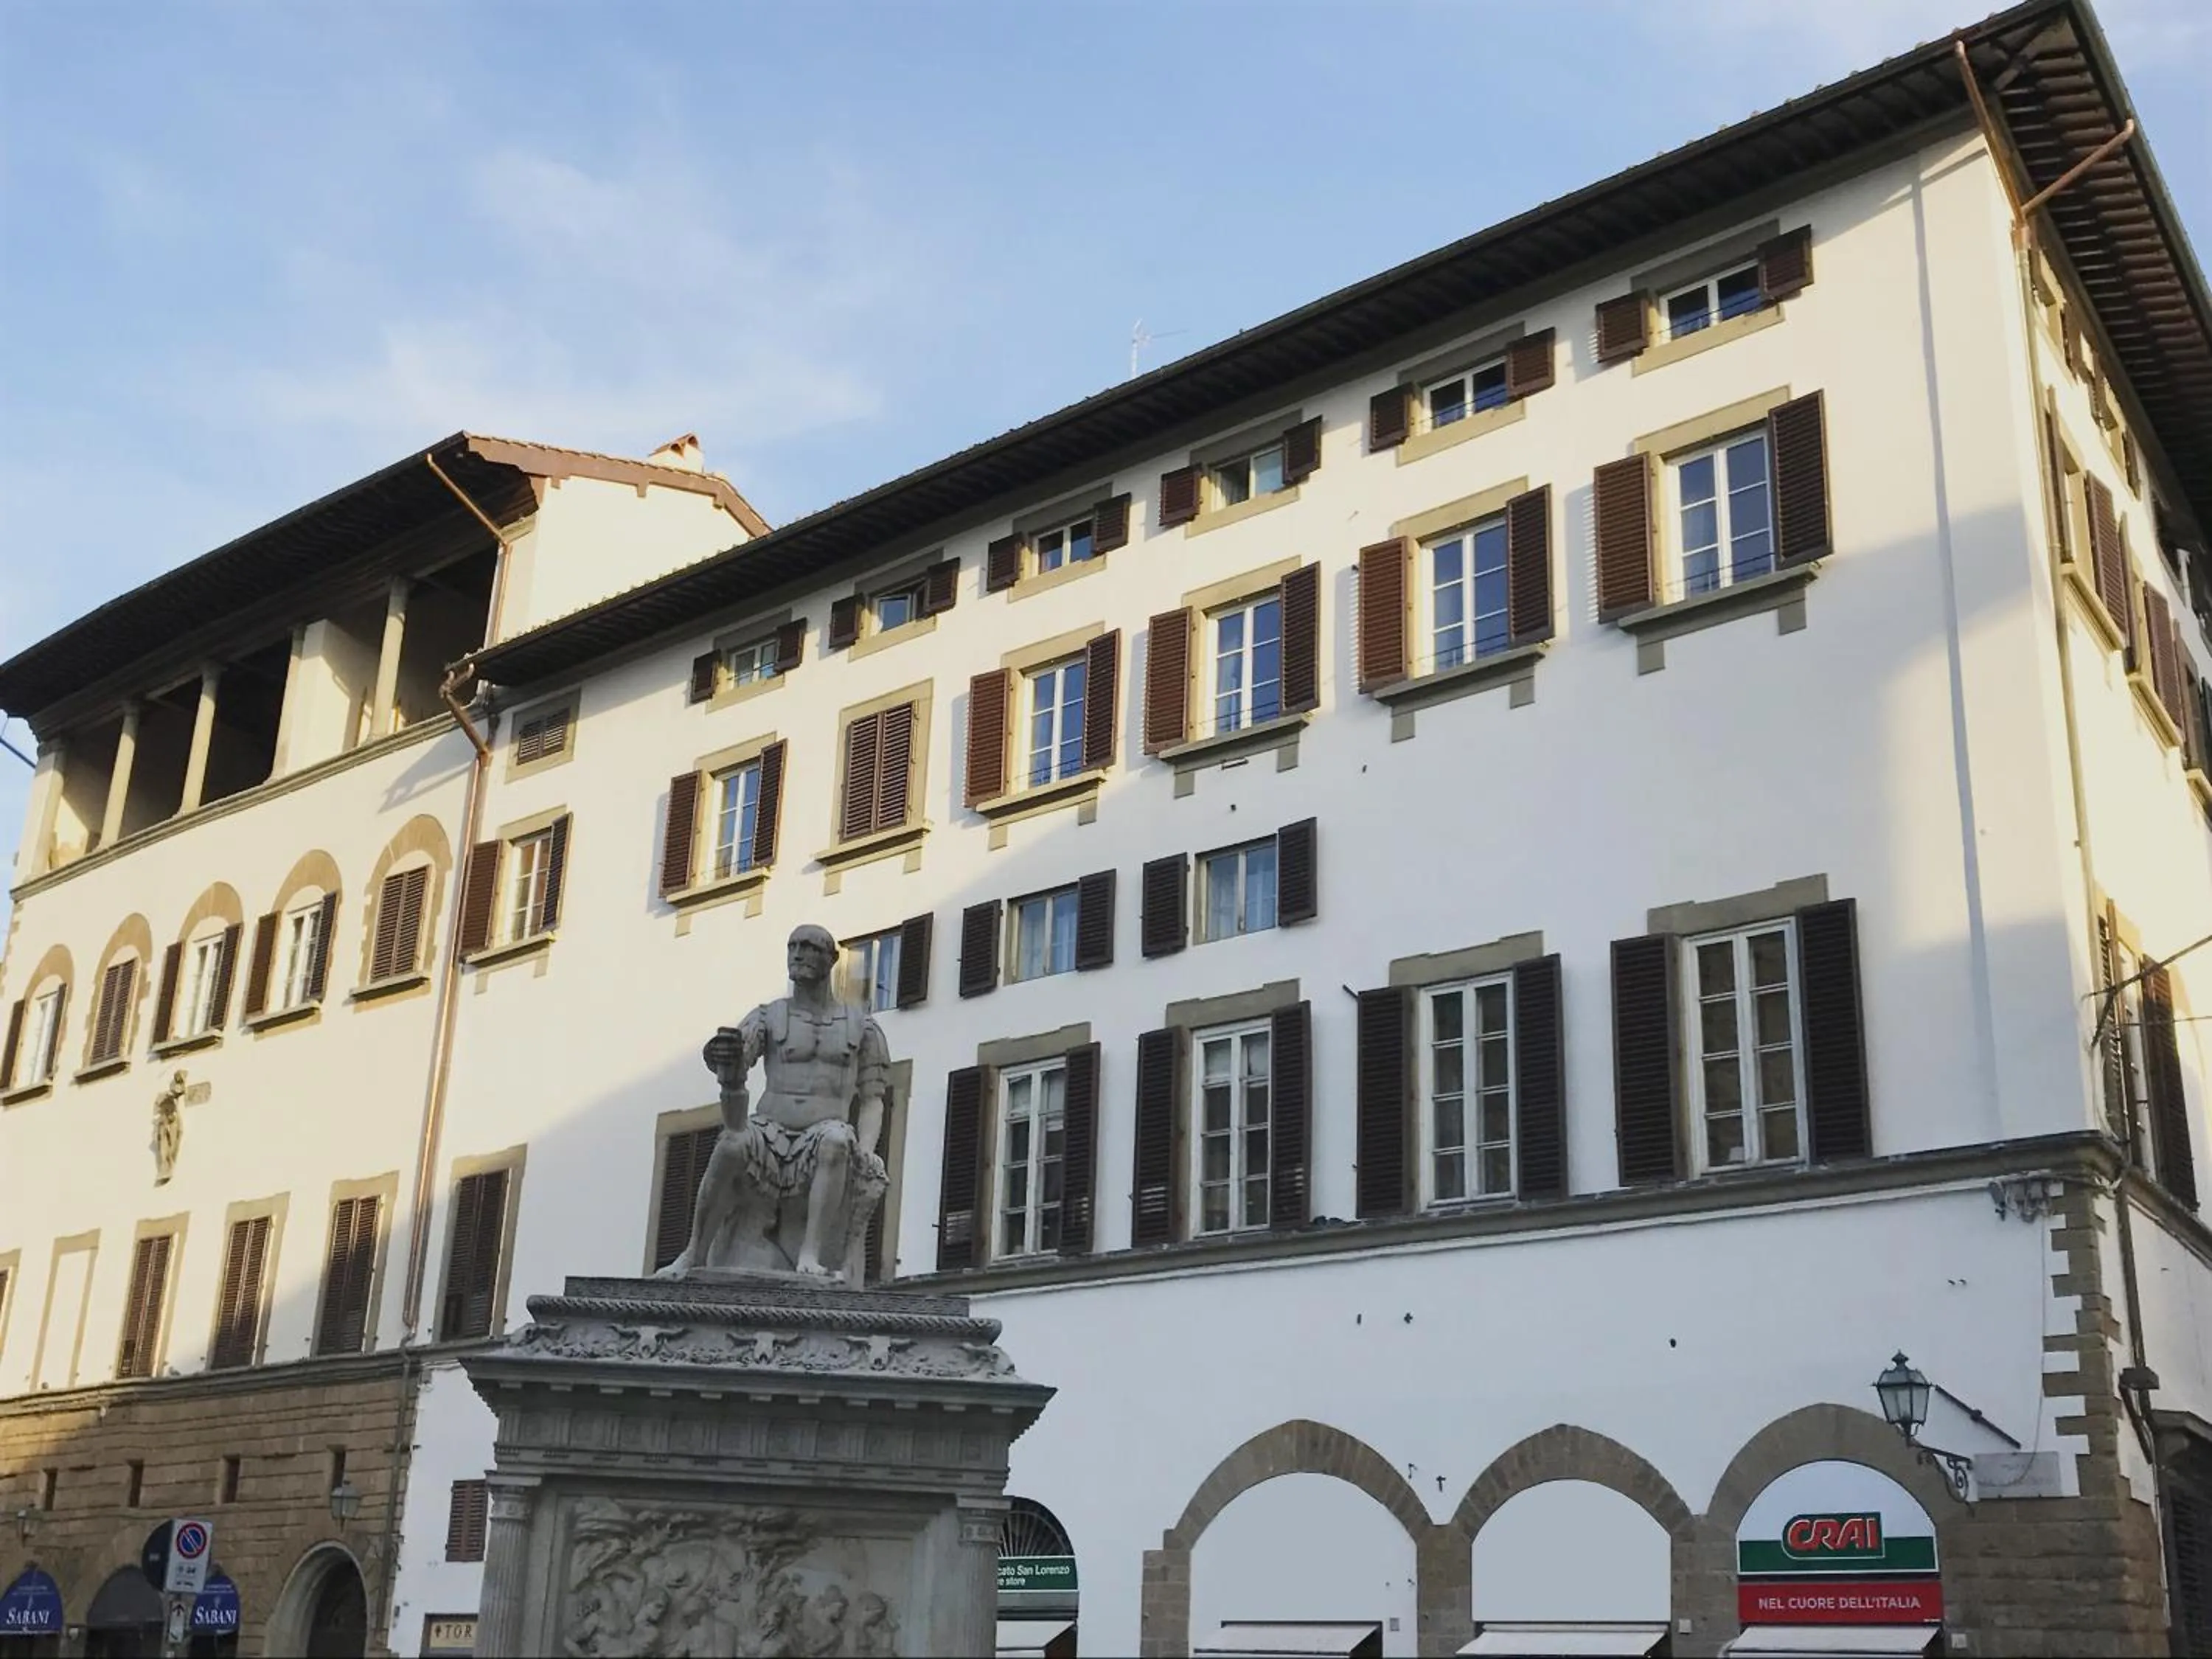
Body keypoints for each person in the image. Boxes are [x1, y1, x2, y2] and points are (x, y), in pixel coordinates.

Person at [657, 924, 890, 1280]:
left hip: (825, 1131)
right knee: (731, 1144)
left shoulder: (862, 1027)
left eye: (809, 947)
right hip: (770, 1131)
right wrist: (726, 1062)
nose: (798, 954)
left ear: (831, 959)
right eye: (793, 946)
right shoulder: (769, 1016)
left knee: (838, 1141)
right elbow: (736, 1061)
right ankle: (694, 1252)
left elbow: (874, 1097)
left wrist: (869, 1151)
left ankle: (809, 1255)